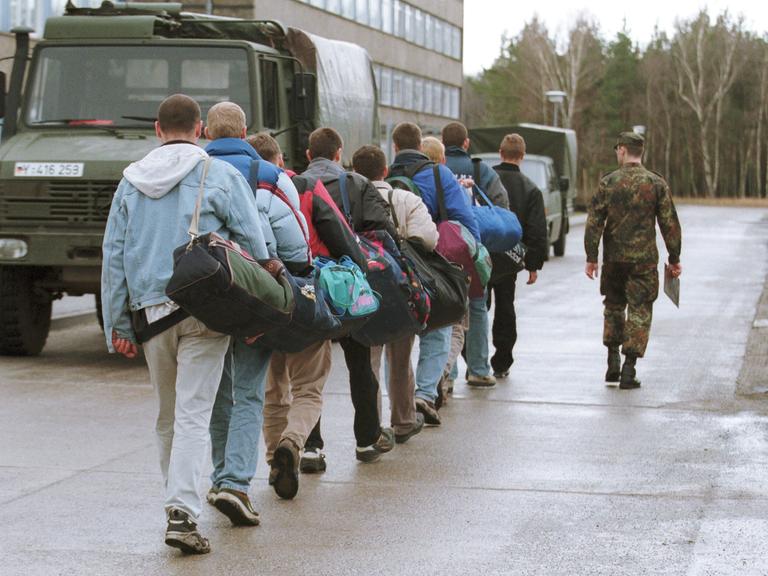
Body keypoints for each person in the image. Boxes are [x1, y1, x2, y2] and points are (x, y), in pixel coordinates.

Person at [101, 94, 269, 554]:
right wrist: (257, 311)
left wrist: (117, 323)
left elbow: (114, 256)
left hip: (151, 312)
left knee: (167, 417)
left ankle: (175, 504)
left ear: (158, 128)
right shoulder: (220, 174)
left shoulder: (130, 182)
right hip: (207, 310)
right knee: (196, 414)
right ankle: (182, 512)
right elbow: (254, 243)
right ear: (202, 130)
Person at [203, 103, 309, 520]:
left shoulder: (193, 172)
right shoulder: (270, 176)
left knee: (214, 390)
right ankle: (234, 484)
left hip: (202, 293)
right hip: (251, 295)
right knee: (248, 390)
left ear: (207, 132)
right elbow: (296, 245)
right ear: (245, 132)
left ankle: (217, 476)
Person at [250, 132, 364, 497]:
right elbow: (341, 237)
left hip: (259, 302)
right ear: (281, 161)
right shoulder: (304, 188)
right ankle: (293, 443)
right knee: (310, 388)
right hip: (303, 295)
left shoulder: (237, 190)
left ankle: (273, 461)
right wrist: (361, 272)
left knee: (273, 390)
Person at [301, 127, 396, 462]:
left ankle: (311, 447)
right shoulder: (356, 184)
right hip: (347, 284)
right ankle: (366, 439)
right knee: (360, 365)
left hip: (308, 284)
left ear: (309, 155)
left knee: (309, 374)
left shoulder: (295, 184)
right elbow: (384, 230)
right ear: (339, 153)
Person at [389, 122, 479, 426]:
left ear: (395, 147)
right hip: (432, 262)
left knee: (399, 336)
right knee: (439, 327)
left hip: (396, 265)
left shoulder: (386, 176)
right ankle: (425, 394)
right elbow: (464, 220)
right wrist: (473, 254)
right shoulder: (440, 175)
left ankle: (399, 403)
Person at [352, 144, 438, 443]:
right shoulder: (405, 199)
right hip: (401, 286)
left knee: (370, 360)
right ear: (385, 170)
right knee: (400, 358)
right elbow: (429, 238)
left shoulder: (346, 198)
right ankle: (402, 419)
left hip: (361, 287)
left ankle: (374, 429)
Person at [584, 131, 682, 389]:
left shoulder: (608, 182)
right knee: (639, 310)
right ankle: (629, 369)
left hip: (615, 260)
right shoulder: (656, 183)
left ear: (623, 150)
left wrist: (591, 257)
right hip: (643, 261)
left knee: (614, 306)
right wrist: (674, 257)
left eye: (617, 149)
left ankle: (612, 361)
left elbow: (594, 221)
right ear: (641, 152)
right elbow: (669, 223)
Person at [442, 121, 507, 388]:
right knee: (478, 307)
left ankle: (449, 372)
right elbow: (500, 206)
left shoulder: (438, 170)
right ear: (466, 143)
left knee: (447, 310)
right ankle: (479, 369)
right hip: (474, 249)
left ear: (442, 144)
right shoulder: (481, 170)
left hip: (443, 247)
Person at [487, 133, 548, 378]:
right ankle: (502, 360)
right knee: (505, 307)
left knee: (479, 307)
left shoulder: (485, 180)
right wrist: (533, 264)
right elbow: (536, 230)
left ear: (500, 153)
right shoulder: (531, 189)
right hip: (510, 257)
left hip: (483, 253)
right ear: (522, 157)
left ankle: (474, 358)